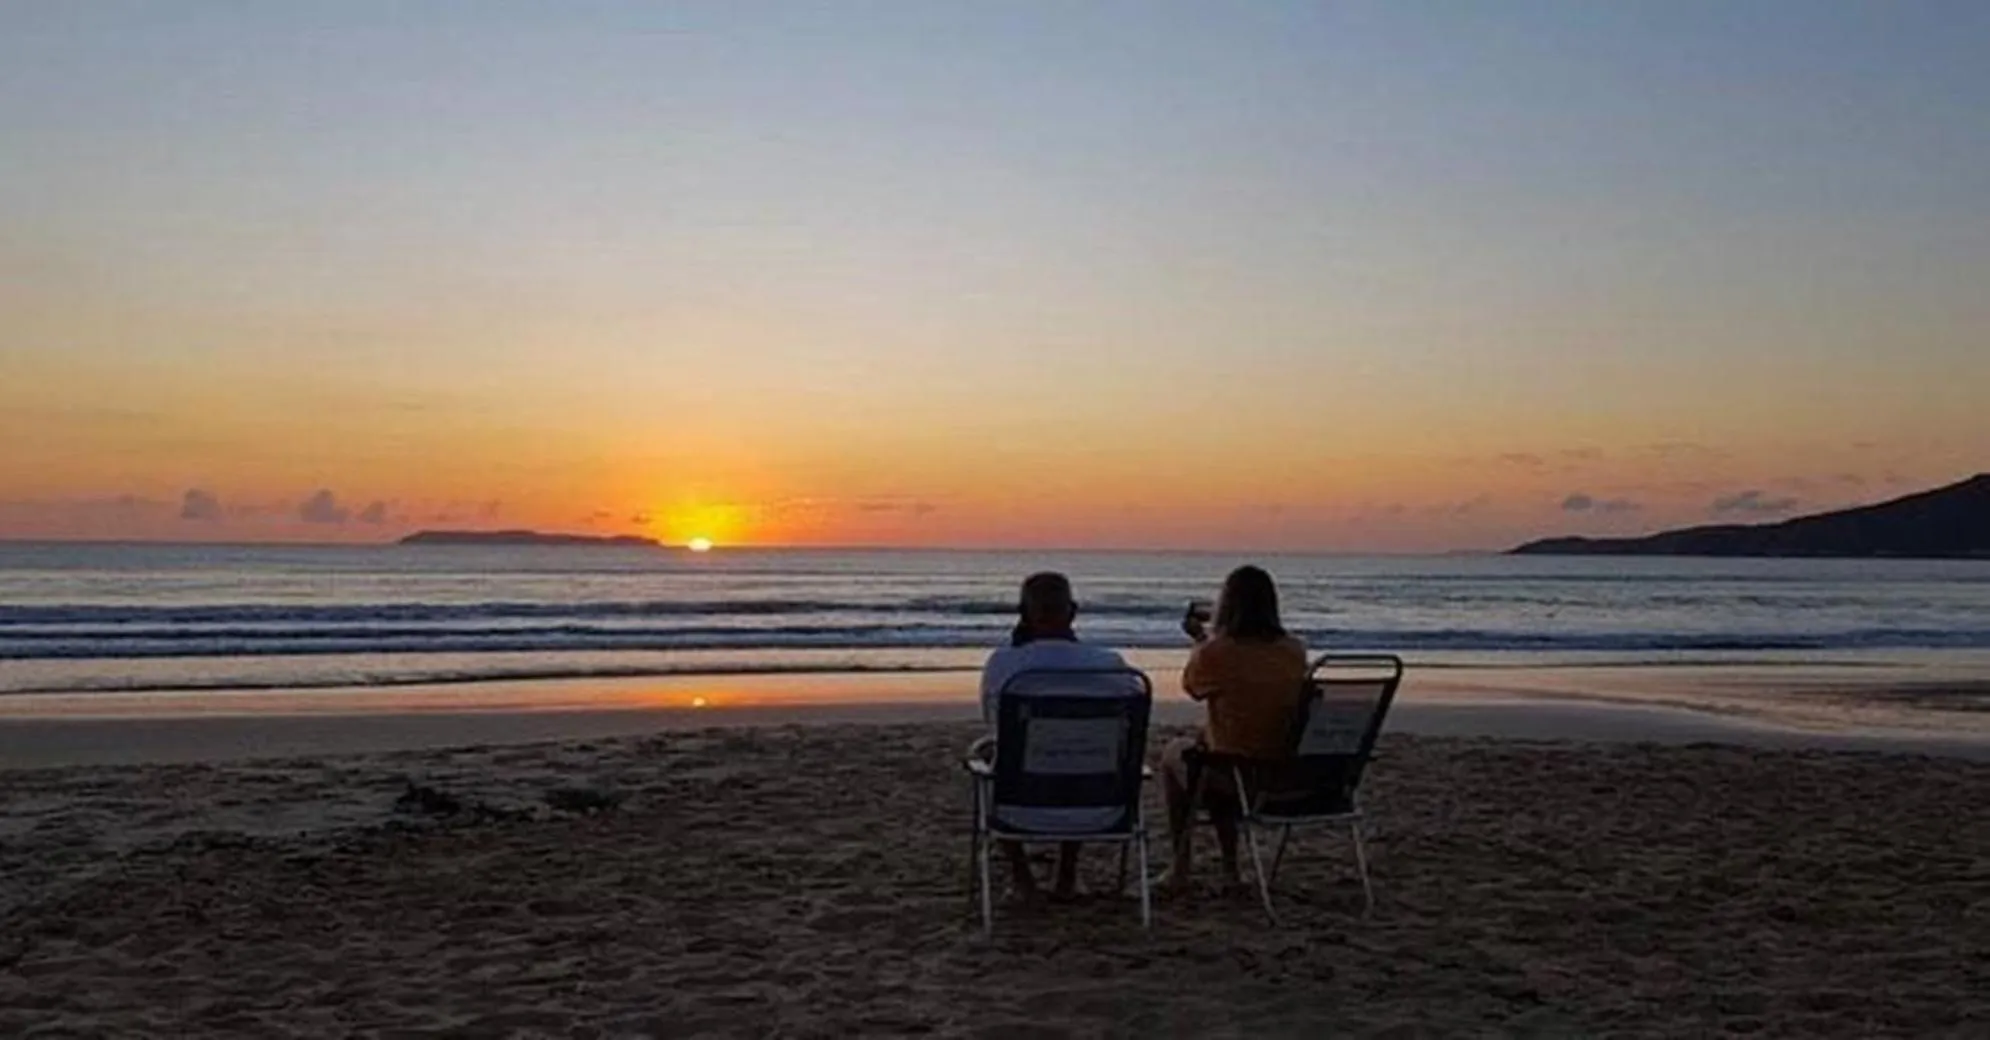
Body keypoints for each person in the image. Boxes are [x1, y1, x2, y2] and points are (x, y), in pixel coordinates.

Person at [978, 571, 1134, 899]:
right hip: (1099, 806)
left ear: (1023, 613)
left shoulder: (1004, 664)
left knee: (993, 752)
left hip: (1017, 806)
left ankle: (1023, 879)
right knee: (1085, 750)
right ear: (1073, 611)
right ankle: (1067, 873)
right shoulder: (1110, 665)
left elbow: (994, 723)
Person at [1161, 565, 1308, 892]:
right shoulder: (1294, 650)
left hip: (1237, 778)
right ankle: (1230, 870)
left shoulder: (1218, 652)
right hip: (1286, 776)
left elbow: (1193, 687)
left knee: (1175, 755)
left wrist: (1200, 640)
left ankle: (1181, 866)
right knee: (1210, 751)